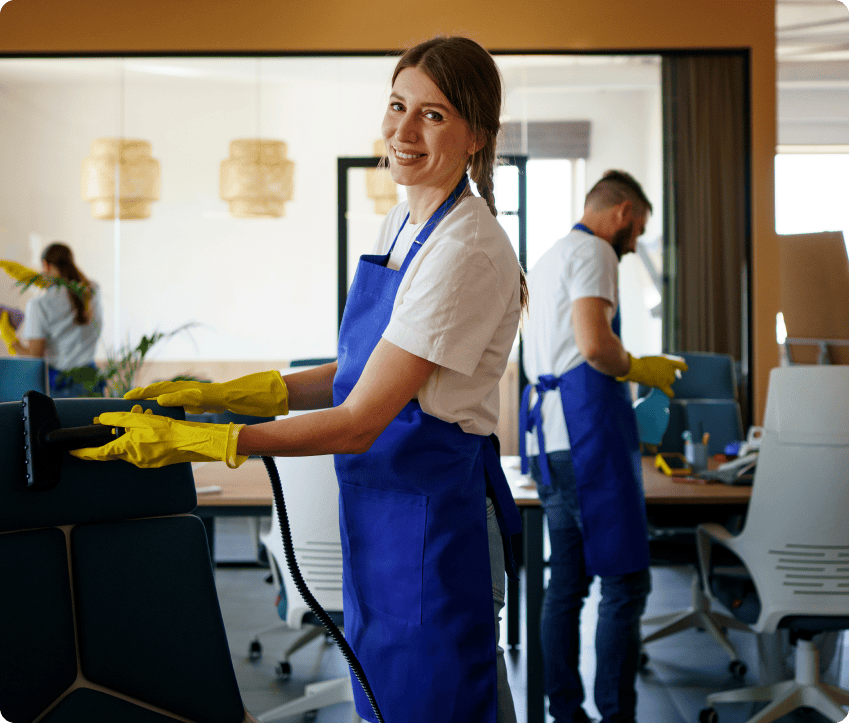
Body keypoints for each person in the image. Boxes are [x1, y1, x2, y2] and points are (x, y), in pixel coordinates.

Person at [72, 37, 525, 723]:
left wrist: (203, 441)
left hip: (431, 526)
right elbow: (366, 367)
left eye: (431, 115)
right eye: (397, 105)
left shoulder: (464, 249)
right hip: (382, 515)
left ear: (477, 137)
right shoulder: (404, 221)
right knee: (381, 702)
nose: (401, 131)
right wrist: (230, 394)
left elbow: (360, 418)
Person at [520, 170, 688, 723]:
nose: (635, 243)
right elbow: (594, 346)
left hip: (547, 437)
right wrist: (639, 365)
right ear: (621, 214)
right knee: (625, 582)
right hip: (586, 435)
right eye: (637, 229)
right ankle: (617, 716)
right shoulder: (596, 252)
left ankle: (565, 713)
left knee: (566, 583)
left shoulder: (547, 260)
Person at [0, 243, 103, 397]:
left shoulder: (39, 304)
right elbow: (72, 289)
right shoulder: (93, 291)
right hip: (92, 382)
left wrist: (10, 339)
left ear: (46, 265)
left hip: (62, 388)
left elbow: (34, 357)